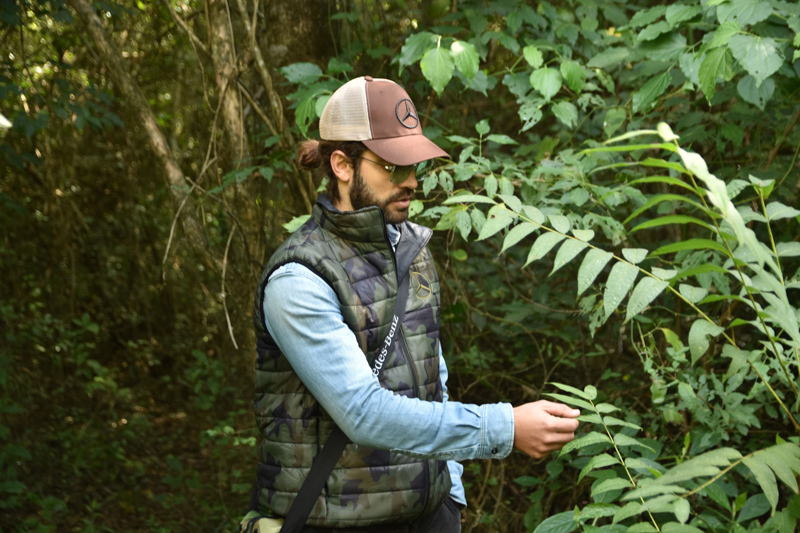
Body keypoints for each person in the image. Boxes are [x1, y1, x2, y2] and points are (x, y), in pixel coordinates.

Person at [250, 76, 580, 532]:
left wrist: (451, 500)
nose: (411, 182)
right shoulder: (299, 279)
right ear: (343, 165)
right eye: (392, 166)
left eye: (414, 164)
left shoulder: (410, 249)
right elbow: (363, 413)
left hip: (430, 517)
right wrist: (503, 428)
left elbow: (433, 379)